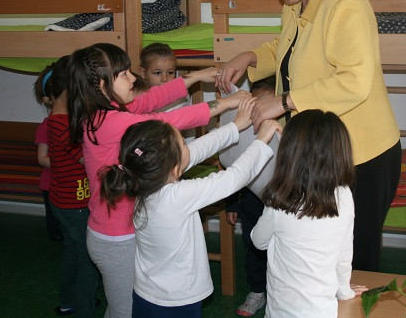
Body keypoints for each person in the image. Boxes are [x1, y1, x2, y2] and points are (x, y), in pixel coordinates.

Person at [216, 0, 401, 272]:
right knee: (318, 260)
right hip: (322, 152)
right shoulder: (296, 2)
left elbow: (353, 81)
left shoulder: (345, 4)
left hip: (362, 157)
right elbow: (287, 50)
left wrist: (283, 102)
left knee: (353, 266)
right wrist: (251, 57)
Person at [67, 42, 249, 317]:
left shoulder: (106, 111)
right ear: (102, 85)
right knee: (124, 311)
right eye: (124, 74)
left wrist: (195, 77)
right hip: (116, 239)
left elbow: (150, 99)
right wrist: (227, 103)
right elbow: (167, 120)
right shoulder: (111, 122)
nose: (133, 78)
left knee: (124, 308)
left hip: (118, 233)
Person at [98, 100, 281, 317]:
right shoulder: (177, 197)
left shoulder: (142, 181)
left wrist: (234, 127)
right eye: (184, 143)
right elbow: (233, 178)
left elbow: (197, 150)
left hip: (145, 295)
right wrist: (261, 141)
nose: (189, 147)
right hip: (178, 302)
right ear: (176, 169)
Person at [251, 110, 367, 317]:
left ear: (289, 153)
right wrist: (344, 291)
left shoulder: (280, 200)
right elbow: (344, 252)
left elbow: (258, 241)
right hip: (323, 312)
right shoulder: (344, 196)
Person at [43, 55, 100, 317]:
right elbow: (89, 160)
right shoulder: (64, 126)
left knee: (73, 252)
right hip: (75, 205)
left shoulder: (56, 120)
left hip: (63, 201)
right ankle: (85, 309)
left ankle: (68, 300)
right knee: (87, 258)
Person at [224, 76, 277, 316]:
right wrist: (232, 204)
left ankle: (276, 291)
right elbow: (233, 168)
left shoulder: (283, 132)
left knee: (279, 251)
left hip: (280, 203)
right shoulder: (245, 131)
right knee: (254, 249)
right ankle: (257, 291)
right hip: (250, 203)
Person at [33, 61, 64, 241]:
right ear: (48, 100)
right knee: (55, 224)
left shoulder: (78, 123)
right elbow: (42, 158)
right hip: (51, 184)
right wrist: (65, 163)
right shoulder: (47, 126)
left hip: (73, 185)